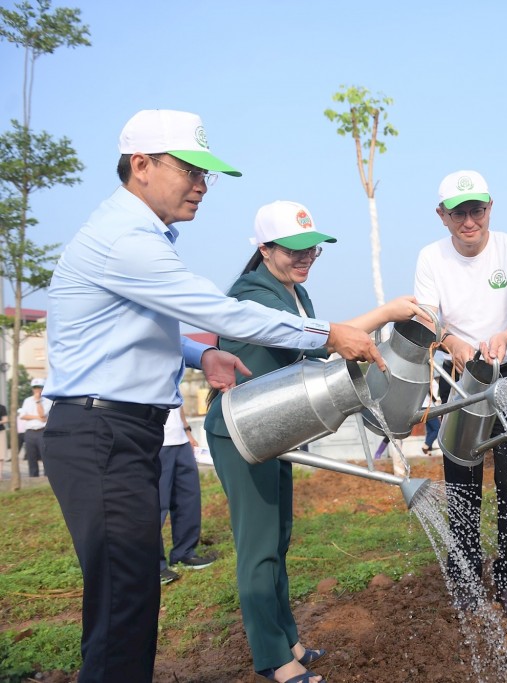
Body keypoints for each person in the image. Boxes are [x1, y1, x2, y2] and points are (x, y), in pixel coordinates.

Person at [42, 110, 396, 683]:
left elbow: (140, 326)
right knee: (123, 602)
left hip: (119, 431)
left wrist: (199, 355)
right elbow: (221, 312)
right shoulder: (125, 240)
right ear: (141, 165)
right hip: (100, 433)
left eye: (207, 174)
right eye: (191, 170)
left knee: (130, 598)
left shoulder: (136, 237)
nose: (202, 186)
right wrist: (330, 334)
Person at [204, 200, 423, 683]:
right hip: (242, 431)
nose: (306, 258)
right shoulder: (251, 293)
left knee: (278, 537)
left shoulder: (294, 292)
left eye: (313, 250)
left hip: (277, 426)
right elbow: (313, 340)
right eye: (295, 249)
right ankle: (272, 659)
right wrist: (385, 312)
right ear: (264, 249)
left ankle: (289, 640)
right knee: (258, 545)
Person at [414, 169, 507, 619]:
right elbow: (429, 318)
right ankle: (467, 577)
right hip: (462, 379)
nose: (470, 221)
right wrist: (452, 341)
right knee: (463, 482)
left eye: (477, 210)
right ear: (443, 216)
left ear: (490, 208)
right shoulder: (432, 258)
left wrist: (506, 334)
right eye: (459, 213)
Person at [157, 407, 213, 586]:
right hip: (155, 440)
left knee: (188, 498)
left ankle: (184, 552)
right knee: (156, 504)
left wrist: (186, 429)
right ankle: (153, 566)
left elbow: (176, 398)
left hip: (179, 439)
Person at [19, 378, 50, 477]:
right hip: (30, 432)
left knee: (45, 456)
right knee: (31, 457)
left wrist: (38, 401)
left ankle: (47, 477)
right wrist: (37, 417)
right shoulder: (27, 400)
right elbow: (23, 416)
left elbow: (43, 414)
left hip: (42, 431)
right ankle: (33, 477)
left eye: (39, 387)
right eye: (35, 387)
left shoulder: (47, 400)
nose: (37, 390)